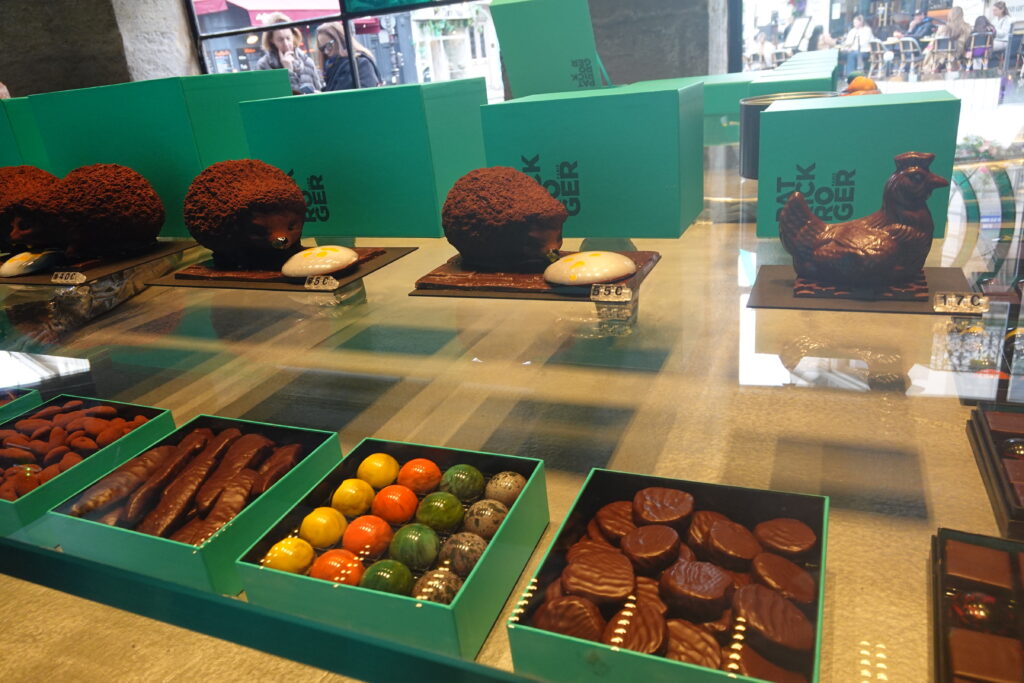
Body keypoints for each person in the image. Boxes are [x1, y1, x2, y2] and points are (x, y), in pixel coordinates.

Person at [255, 12, 323, 95]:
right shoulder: (264, 66)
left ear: (293, 36)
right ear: (271, 40)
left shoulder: (307, 62)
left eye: (288, 38)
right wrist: (288, 71)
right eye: (280, 40)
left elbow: (319, 95)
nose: (286, 44)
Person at [315, 21, 381, 90]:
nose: (326, 51)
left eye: (329, 45)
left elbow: (366, 93)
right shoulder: (331, 68)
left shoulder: (360, 64)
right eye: (322, 48)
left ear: (341, 40)